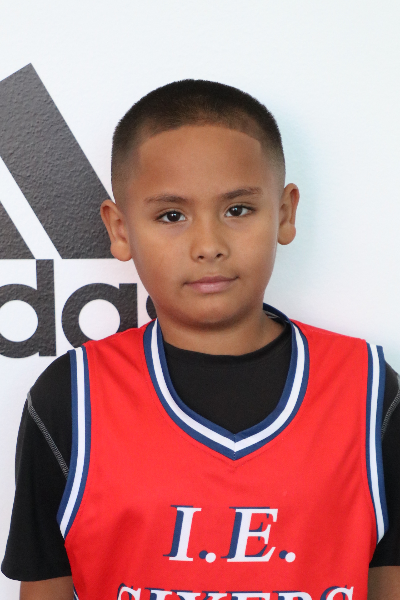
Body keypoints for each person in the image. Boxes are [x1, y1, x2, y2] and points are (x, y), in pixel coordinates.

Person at [2, 80, 400, 600]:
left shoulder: (368, 392)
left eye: (238, 210)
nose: (208, 245)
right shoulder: (70, 398)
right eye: (172, 216)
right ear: (120, 230)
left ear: (284, 213)